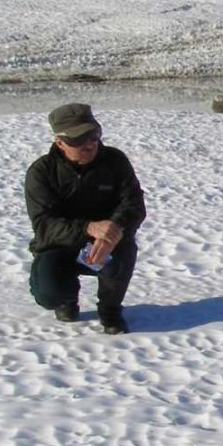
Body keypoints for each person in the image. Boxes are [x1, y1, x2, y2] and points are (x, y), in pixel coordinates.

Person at [24, 103, 146, 335]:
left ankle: (110, 310)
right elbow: (44, 226)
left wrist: (115, 229)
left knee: (124, 251)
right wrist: (89, 228)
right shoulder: (41, 172)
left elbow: (134, 204)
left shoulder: (115, 160)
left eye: (93, 135)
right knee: (49, 294)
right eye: (79, 140)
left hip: (106, 245)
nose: (89, 144)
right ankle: (66, 300)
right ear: (59, 142)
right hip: (59, 247)